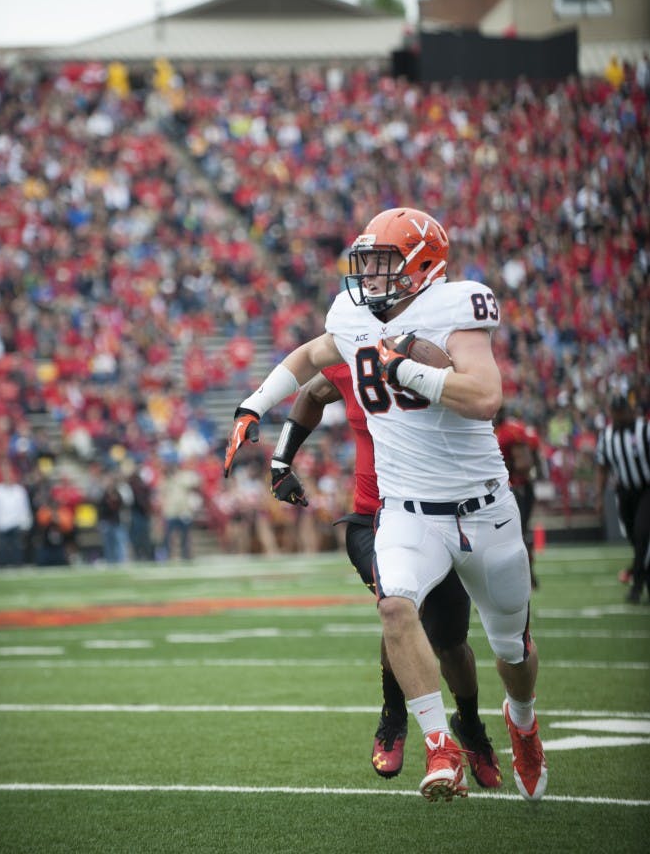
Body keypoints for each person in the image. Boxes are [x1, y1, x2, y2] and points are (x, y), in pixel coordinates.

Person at [224, 207, 547, 803]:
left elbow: (485, 396)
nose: (369, 276)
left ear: (422, 266)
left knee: (511, 649)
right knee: (395, 607)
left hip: (484, 509)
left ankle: (522, 722)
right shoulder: (352, 317)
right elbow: (310, 358)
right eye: (367, 263)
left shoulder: (456, 308)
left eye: (383, 264)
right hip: (405, 510)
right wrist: (253, 404)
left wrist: (407, 370)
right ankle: (439, 746)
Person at [270, 361, 501, 787]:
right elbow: (312, 391)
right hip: (372, 519)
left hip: (436, 518)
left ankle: (469, 723)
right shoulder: (354, 356)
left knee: (451, 643)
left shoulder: (433, 356)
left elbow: (482, 402)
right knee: (399, 604)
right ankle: (394, 714)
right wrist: (281, 460)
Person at [595, 394, 650, 604]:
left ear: (629, 410)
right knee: (635, 539)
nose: (619, 416)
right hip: (625, 493)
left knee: (642, 534)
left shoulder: (645, 429)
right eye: (615, 412)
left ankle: (636, 586)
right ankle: (644, 577)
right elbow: (602, 467)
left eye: (621, 412)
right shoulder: (607, 436)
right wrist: (599, 497)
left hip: (646, 490)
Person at [494, 407, 544, 589]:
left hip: (517, 487)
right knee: (516, 534)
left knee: (516, 534)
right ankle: (526, 574)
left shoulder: (509, 432)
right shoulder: (504, 429)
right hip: (515, 488)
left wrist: (504, 471)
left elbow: (524, 463)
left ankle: (525, 575)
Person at [0, 459, 34, 567]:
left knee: (17, 549)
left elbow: (24, 508)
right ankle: (3, 567)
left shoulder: (19, 490)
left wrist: (25, 522)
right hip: (2, 525)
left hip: (16, 524)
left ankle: (17, 566)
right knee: (3, 549)